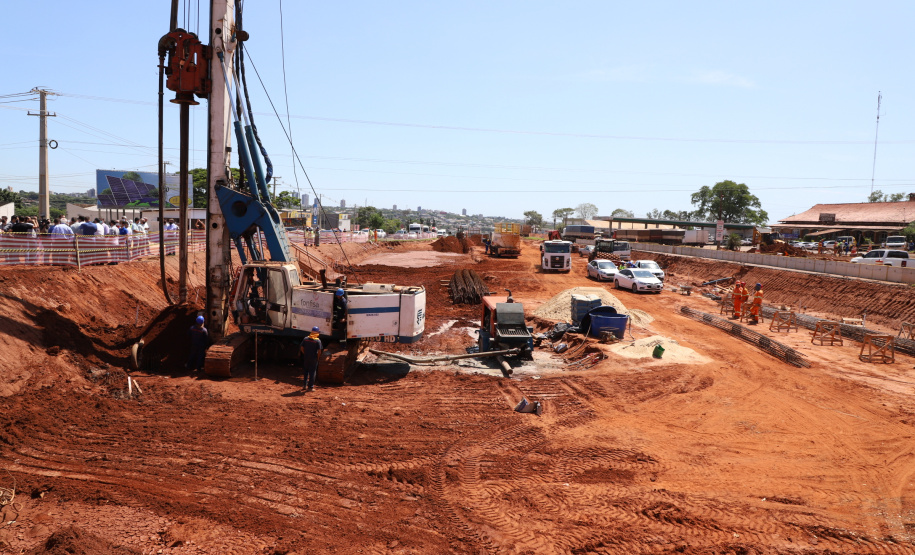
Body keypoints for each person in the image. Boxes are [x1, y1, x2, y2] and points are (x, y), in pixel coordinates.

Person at [299, 326, 323, 391]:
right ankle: (310, 387)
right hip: (313, 358)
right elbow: (319, 351)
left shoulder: (305, 339)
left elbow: (301, 348)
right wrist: (318, 358)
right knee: (312, 372)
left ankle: (304, 385)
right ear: (317, 333)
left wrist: (305, 354)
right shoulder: (318, 341)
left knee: (306, 371)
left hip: (306, 357)